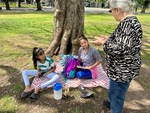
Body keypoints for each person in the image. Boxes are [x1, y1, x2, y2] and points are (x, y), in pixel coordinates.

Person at [90, 0, 143, 113]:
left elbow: (121, 49)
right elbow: (124, 43)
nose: (111, 13)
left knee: (117, 96)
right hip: (120, 70)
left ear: (117, 10)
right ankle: (112, 104)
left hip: (121, 72)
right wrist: (109, 39)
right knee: (113, 92)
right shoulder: (130, 22)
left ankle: (115, 108)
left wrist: (103, 43)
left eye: (111, 10)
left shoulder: (128, 24)